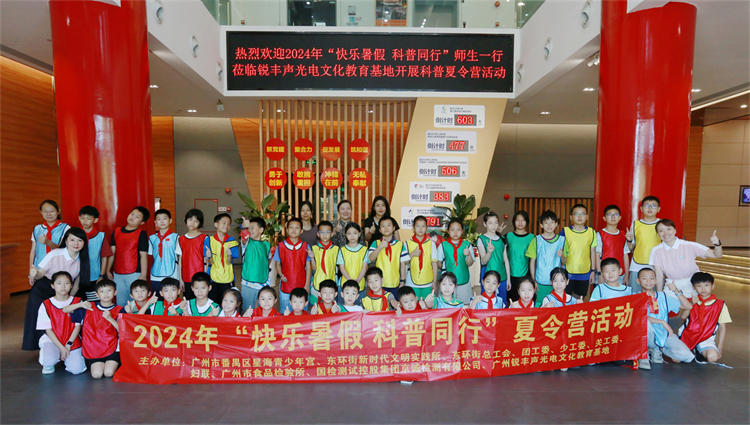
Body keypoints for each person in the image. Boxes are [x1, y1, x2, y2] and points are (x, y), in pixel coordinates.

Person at [23, 227, 90, 351]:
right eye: (72, 240)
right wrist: (34, 274)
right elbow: (39, 274)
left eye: (80, 240)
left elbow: (77, 283)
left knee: (64, 318)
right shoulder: (55, 254)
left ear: (84, 243)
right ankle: (45, 349)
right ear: (66, 241)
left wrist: (70, 299)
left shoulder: (83, 259)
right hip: (44, 289)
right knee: (41, 319)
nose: (76, 243)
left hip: (64, 291)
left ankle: (66, 346)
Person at [636, 268, 694, 370]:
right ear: (638, 281)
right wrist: (662, 322)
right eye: (644, 278)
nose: (648, 281)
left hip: (663, 334)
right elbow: (639, 316)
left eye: (651, 278)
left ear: (656, 280)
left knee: (686, 355)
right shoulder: (634, 296)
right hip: (643, 335)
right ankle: (643, 355)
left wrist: (676, 291)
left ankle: (659, 348)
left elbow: (688, 306)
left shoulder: (663, 296)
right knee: (645, 322)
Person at [649, 219, 722, 298]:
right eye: (661, 230)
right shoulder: (656, 251)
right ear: (658, 234)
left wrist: (717, 244)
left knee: (694, 305)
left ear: (675, 230)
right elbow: (659, 276)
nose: (665, 233)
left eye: (669, 229)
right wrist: (659, 295)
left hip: (693, 285)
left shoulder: (689, 245)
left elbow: (717, 255)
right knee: (669, 305)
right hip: (672, 286)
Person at [64, 279, 123, 379]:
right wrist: (80, 304)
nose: (106, 294)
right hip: (93, 348)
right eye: (102, 291)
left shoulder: (120, 309)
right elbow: (65, 310)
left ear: (115, 292)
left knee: (108, 373)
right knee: (97, 374)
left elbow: (123, 331)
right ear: (97, 294)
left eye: (109, 290)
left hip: (112, 346)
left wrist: (110, 319)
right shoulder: (89, 307)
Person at [35, 271, 86, 375]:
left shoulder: (78, 302)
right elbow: (48, 330)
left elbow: (78, 326)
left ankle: (65, 356)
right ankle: (52, 358)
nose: (63, 286)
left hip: (71, 340)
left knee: (77, 369)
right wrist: (61, 348)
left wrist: (68, 344)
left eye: (66, 283)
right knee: (48, 361)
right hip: (52, 340)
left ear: (71, 285)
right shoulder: (46, 304)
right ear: (52, 285)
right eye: (59, 283)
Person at [678, 272, 731, 364]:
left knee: (712, 357)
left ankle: (699, 351)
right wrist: (691, 304)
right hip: (688, 336)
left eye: (706, 285)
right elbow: (683, 316)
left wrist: (720, 346)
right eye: (699, 286)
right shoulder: (692, 301)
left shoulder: (720, 305)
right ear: (693, 287)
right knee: (676, 359)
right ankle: (692, 348)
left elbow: (722, 327)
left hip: (706, 337)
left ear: (712, 286)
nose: (703, 289)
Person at [107, 206, 149, 307]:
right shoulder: (116, 231)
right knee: (121, 302)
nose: (132, 217)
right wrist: (108, 270)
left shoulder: (141, 234)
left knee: (136, 302)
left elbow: (143, 256)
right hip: (118, 272)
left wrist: (143, 275)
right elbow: (112, 253)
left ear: (142, 222)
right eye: (132, 214)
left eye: (137, 217)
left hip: (134, 272)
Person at [526, 210, 565, 306]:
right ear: (541, 225)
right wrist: (533, 280)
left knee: (557, 304)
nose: (549, 225)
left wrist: (562, 255)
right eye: (546, 222)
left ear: (556, 224)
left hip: (557, 281)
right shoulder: (536, 240)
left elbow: (565, 262)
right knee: (540, 304)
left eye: (552, 222)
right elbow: (532, 262)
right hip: (540, 280)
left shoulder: (562, 240)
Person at [274, 218, 312, 314]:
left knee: (302, 314)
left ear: (301, 230)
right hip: (286, 286)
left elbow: (308, 267)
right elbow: (277, 264)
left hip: (302, 285)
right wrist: (281, 274)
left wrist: (307, 285)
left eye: (297, 227)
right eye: (291, 227)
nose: (294, 230)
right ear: (287, 230)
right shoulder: (281, 246)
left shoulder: (306, 246)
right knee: (285, 313)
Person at [626, 196, 662, 293]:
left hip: (656, 265)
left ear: (658, 209)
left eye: (653, 205)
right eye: (646, 205)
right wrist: (629, 241)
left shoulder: (662, 224)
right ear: (641, 208)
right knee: (635, 295)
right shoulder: (635, 224)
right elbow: (632, 248)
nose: (650, 208)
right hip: (637, 265)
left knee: (655, 295)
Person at [30, 200, 71, 285]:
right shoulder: (37, 229)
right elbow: (33, 251)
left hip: (58, 267)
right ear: (41, 212)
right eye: (45, 211)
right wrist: (31, 270)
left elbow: (62, 249)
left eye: (52, 211)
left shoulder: (65, 228)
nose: (48, 214)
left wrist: (48, 242)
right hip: (40, 267)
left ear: (58, 211)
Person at [561, 204, 597, 300]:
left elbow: (593, 251)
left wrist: (593, 271)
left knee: (579, 300)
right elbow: (561, 252)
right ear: (571, 217)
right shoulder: (565, 231)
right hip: (567, 272)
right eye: (576, 214)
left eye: (582, 214)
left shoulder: (591, 232)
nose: (580, 216)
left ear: (587, 216)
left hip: (585, 272)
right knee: (566, 299)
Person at [367, 216, 409, 299]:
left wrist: (402, 281)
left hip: (395, 283)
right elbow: (371, 259)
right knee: (380, 304)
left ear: (393, 228)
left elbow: (403, 264)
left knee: (394, 304)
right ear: (380, 230)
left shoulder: (400, 245)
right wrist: (380, 247)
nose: (386, 228)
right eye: (383, 226)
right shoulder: (376, 243)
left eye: (389, 225)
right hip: (379, 284)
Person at [78, 206, 112, 302]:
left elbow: (104, 257)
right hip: (77, 275)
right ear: (79, 218)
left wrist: (101, 275)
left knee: (94, 302)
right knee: (79, 301)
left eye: (89, 218)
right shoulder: (75, 234)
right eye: (82, 218)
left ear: (95, 220)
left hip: (94, 276)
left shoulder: (101, 236)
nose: (85, 221)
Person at [437, 219, 474, 305]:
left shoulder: (467, 245)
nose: (455, 232)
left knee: (464, 304)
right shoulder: (443, 245)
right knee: (446, 304)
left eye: (458, 229)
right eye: (452, 229)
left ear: (462, 231)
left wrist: (468, 255)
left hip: (463, 280)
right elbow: (439, 263)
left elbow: (470, 263)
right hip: (447, 282)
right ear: (448, 231)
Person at [205, 213, 240, 304]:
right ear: (216, 224)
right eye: (224, 223)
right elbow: (211, 262)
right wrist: (209, 256)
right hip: (213, 278)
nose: (226, 226)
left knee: (227, 303)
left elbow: (229, 262)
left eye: (228, 224)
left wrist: (229, 255)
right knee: (214, 303)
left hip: (228, 277)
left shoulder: (232, 241)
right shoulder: (209, 240)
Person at [239, 217, 272, 310]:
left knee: (263, 310)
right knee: (247, 310)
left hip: (263, 283)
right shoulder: (247, 242)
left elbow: (268, 260)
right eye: (249, 228)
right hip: (247, 283)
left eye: (252, 228)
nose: (250, 230)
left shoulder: (267, 245)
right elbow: (244, 237)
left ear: (261, 230)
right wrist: (243, 227)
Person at [477, 212, 510, 302]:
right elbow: (484, 261)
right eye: (490, 223)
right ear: (485, 224)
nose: (493, 225)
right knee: (486, 301)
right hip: (487, 275)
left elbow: (506, 260)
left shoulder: (502, 239)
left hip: (502, 276)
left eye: (496, 223)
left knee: (501, 302)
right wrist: (489, 252)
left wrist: (508, 279)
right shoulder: (481, 239)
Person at [404, 216, 439, 301]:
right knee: (412, 306)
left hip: (428, 281)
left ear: (426, 228)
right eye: (417, 226)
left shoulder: (431, 244)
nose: (420, 229)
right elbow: (404, 262)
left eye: (423, 226)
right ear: (413, 227)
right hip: (411, 282)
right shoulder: (407, 243)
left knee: (429, 305)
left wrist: (434, 282)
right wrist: (412, 254)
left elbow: (434, 264)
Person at [176, 209, 209, 299]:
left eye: (196, 221)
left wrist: (206, 277)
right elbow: (180, 260)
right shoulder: (181, 239)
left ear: (200, 223)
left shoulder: (204, 238)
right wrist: (180, 279)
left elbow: (207, 260)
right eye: (190, 220)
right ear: (186, 220)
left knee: (201, 300)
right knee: (188, 301)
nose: (192, 223)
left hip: (200, 276)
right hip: (186, 277)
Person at [596, 205, 630, 286]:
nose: (613, 217)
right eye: (609, 214)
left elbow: (625, 256)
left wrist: (627, 274)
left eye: (616, 214)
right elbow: (597, 255)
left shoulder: (623, 234)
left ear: (619, 217)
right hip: (605, 274)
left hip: (620, 274)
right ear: (604, 218)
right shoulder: (600, 234)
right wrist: (599, 274)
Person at [504, 211, 534, 302]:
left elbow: (533, 259)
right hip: (510, 275)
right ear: (514, 221)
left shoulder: (532, 237)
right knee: (511, 301)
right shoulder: (508, 236)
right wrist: (498, 232)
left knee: (525, 300)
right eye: (518, 220)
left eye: (523, 220)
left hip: (525, 275)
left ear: (527, 222)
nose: (520, 222)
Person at [148, 209, 180, 295]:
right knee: (157, 299)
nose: (162, 221)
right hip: (155, 274)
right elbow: (150, 258)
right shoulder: (152, 238)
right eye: (159, 219)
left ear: (170, 220)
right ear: (155, 222)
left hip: (172, 274)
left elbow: (180, 258)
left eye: (165, 218)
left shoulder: (176, 237)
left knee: (171, 299)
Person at [309, 221, 340, 305]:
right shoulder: (314, 248)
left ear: (332, 234)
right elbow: (314, 268)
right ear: (318, 234)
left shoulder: (336, 249)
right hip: (317, 281)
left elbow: (338, 266)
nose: (325, 235)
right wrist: (311, 257)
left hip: (331, 281)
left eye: (327, 232)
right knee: (316, 305)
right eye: (322, 232)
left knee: (329, 306)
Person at [337, 222, 369, 302]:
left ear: (359, 234)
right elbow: (342, 268)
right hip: (344, 284)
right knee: (343, 307)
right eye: (349, 233)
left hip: (360, 284)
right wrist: (349, 280)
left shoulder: (364, 250)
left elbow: (364, 267)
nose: (352, 236)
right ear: (345, 235)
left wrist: (358, 280)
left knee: (359, 307)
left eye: (355, 233)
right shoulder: (342, 250)